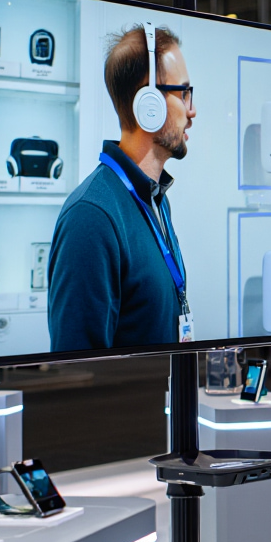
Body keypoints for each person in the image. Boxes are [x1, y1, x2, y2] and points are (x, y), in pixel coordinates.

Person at [48, 23, 195, 351]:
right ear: (150, 103)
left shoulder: (155, 200)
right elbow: (77, 364)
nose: (192, 110)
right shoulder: (91, 217)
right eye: (184, 92)